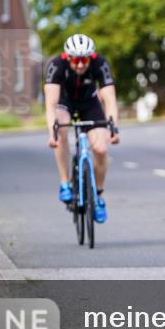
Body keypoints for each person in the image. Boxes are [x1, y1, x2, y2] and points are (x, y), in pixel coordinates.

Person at [44, 34, 120, 222]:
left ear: (91, 57)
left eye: (84, 60)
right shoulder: (56, 65)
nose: (80, 65)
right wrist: (52, 133)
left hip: (90, 105)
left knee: (101, 149)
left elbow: (109, 99)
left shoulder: (100, 63)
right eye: (76, 60)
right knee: (60, 129)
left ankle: (98, 196)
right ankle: (65, 183)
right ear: (68, 57)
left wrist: (114, 129)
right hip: (65, 103)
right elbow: (51, 103)